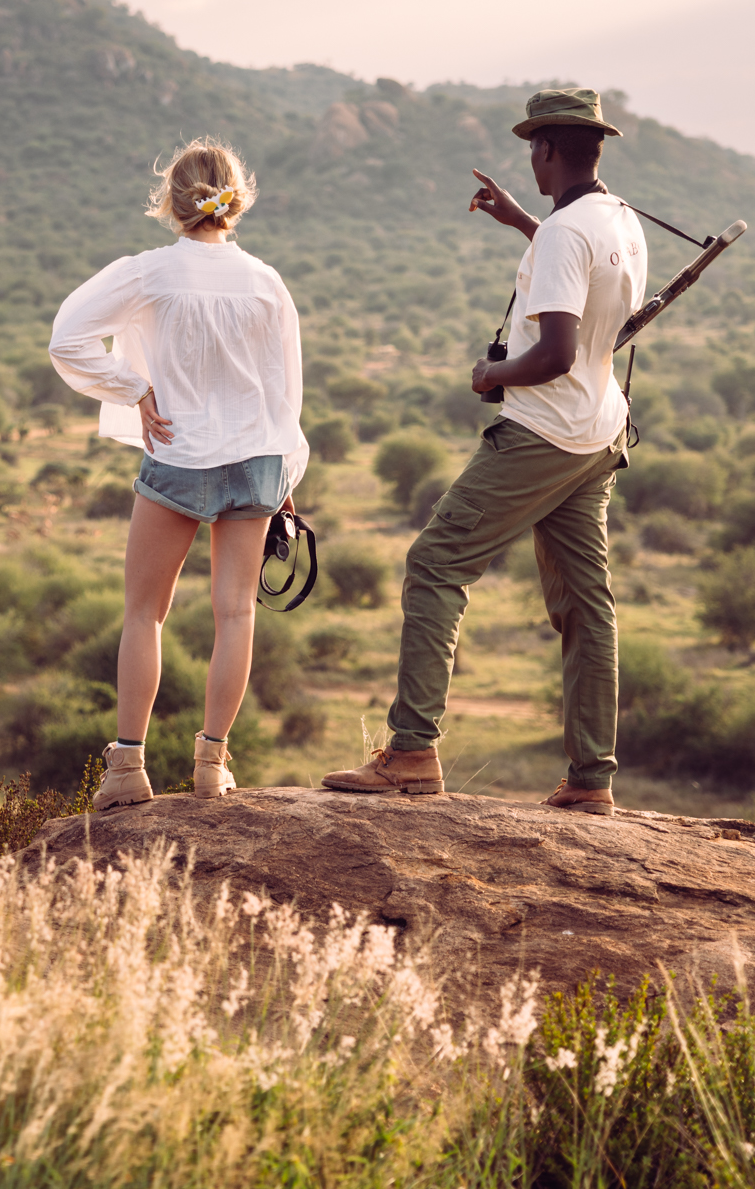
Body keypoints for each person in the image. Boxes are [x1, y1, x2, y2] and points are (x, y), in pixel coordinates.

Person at [323, 88, 644, 815]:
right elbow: (581, 276)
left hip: (542, 433)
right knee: (586, 606)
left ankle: (412, 751)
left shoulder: (564, 234)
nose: (531, 157)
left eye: (533, 147)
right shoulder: (619, 220)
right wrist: (524, 223)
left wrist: (489, 376)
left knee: (436, 563)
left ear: (547, 149)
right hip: (598, 433)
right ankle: (591, 779)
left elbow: (555, 354)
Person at [48, 137, 309, 811]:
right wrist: (287, 476)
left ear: (172, 200)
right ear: (236, 200)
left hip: (176, 452)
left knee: (145, 613)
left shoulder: (147, 273)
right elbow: (286, 390)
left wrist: (133, 388)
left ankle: (127, 770)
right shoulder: (266, 281)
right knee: (236, 613)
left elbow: (66, 338)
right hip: (257, 457)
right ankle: (212, 766)